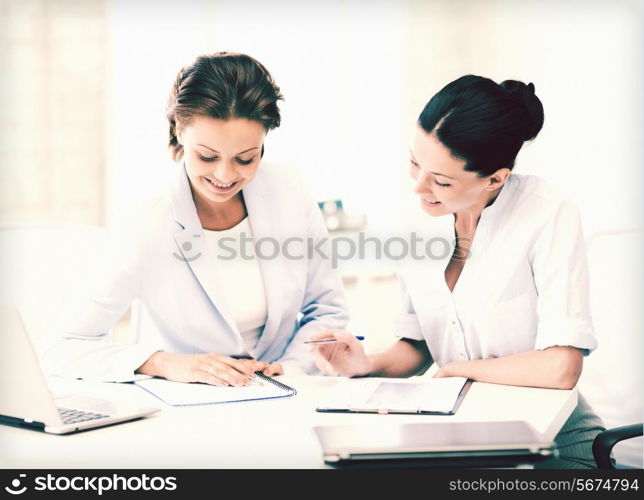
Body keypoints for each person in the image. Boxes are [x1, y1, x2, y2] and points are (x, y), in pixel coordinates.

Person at [310, 75, 605, 468]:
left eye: (442, 180)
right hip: (457, 443)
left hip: (551, 447)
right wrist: (366, 363)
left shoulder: (547, 211)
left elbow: (562, 367)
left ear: (495, 178)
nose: (419, 187)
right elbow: (417, 347)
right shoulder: (418, 220)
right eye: (415, 163)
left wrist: (458, 372)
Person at [42, 52, 349, 386]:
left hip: (284, 398)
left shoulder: (289, 189)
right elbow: (62, 347)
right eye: (207, 156)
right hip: (184, 411)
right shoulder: (147, 221)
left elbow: (327, 309)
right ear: (179, 130)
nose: (224, 175)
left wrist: (292, 368)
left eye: (245, 159)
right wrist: (163, 363)